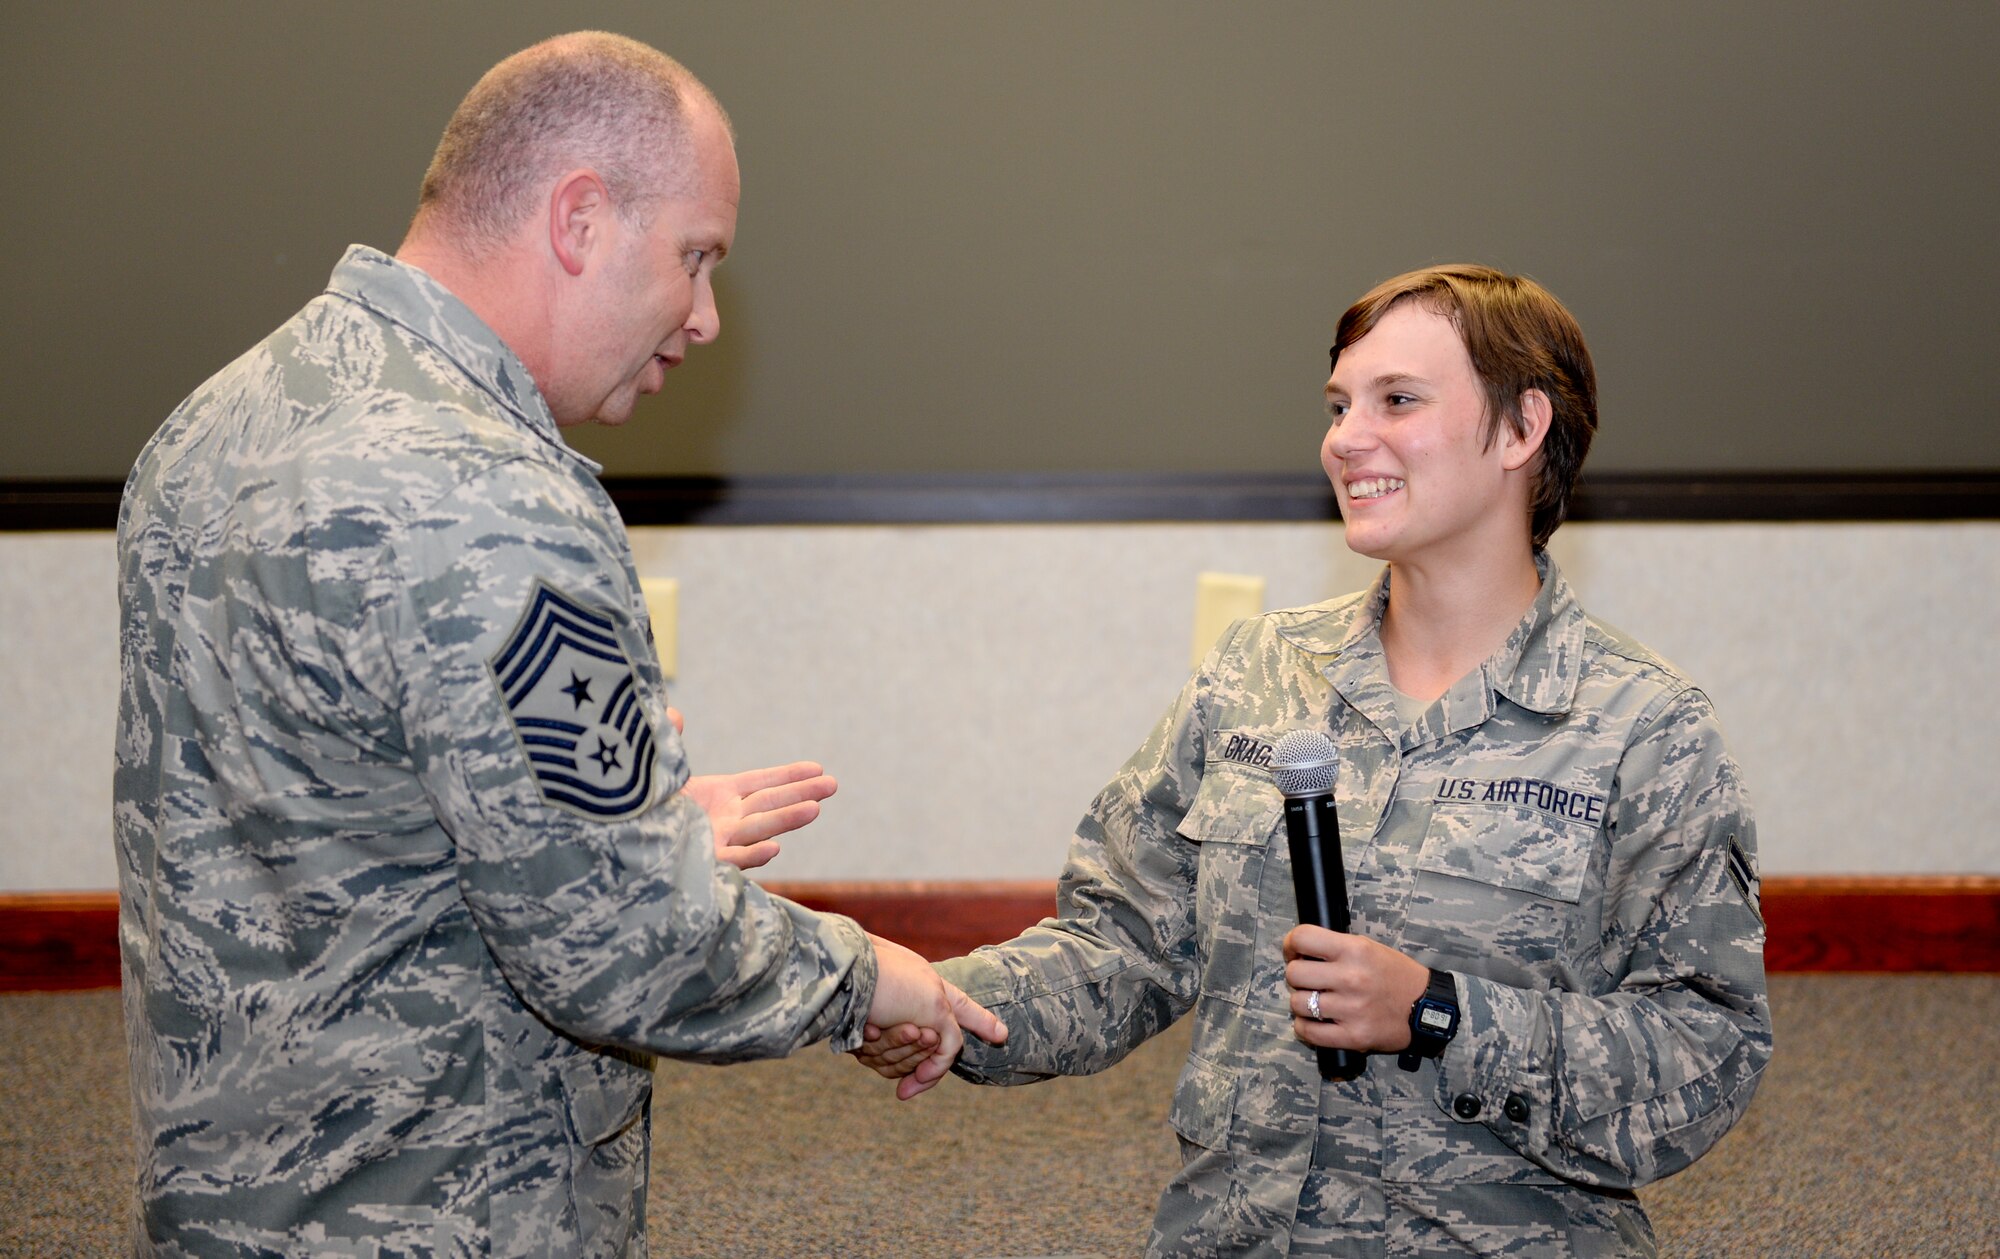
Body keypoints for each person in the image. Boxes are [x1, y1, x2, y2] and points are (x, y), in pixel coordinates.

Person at [115, 31, 1000, 1256]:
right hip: (432, 1202)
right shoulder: (489, 496)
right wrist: (864, 979)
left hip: (231, 1187)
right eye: (695, 258)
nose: (703, 318)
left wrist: (639, 820)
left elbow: (319, 803)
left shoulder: (221, 417)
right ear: (579, 218)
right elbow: (623, 942)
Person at [861, 265, 1770, 1256]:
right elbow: (1121, 940)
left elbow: (1701, 1053)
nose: (1345, 437)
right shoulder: (1257, 672)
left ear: (1519, 430)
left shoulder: (1641, 724)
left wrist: (1434, 1009)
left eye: (1397, 400)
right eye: (1338, 404)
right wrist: (952, 1002)